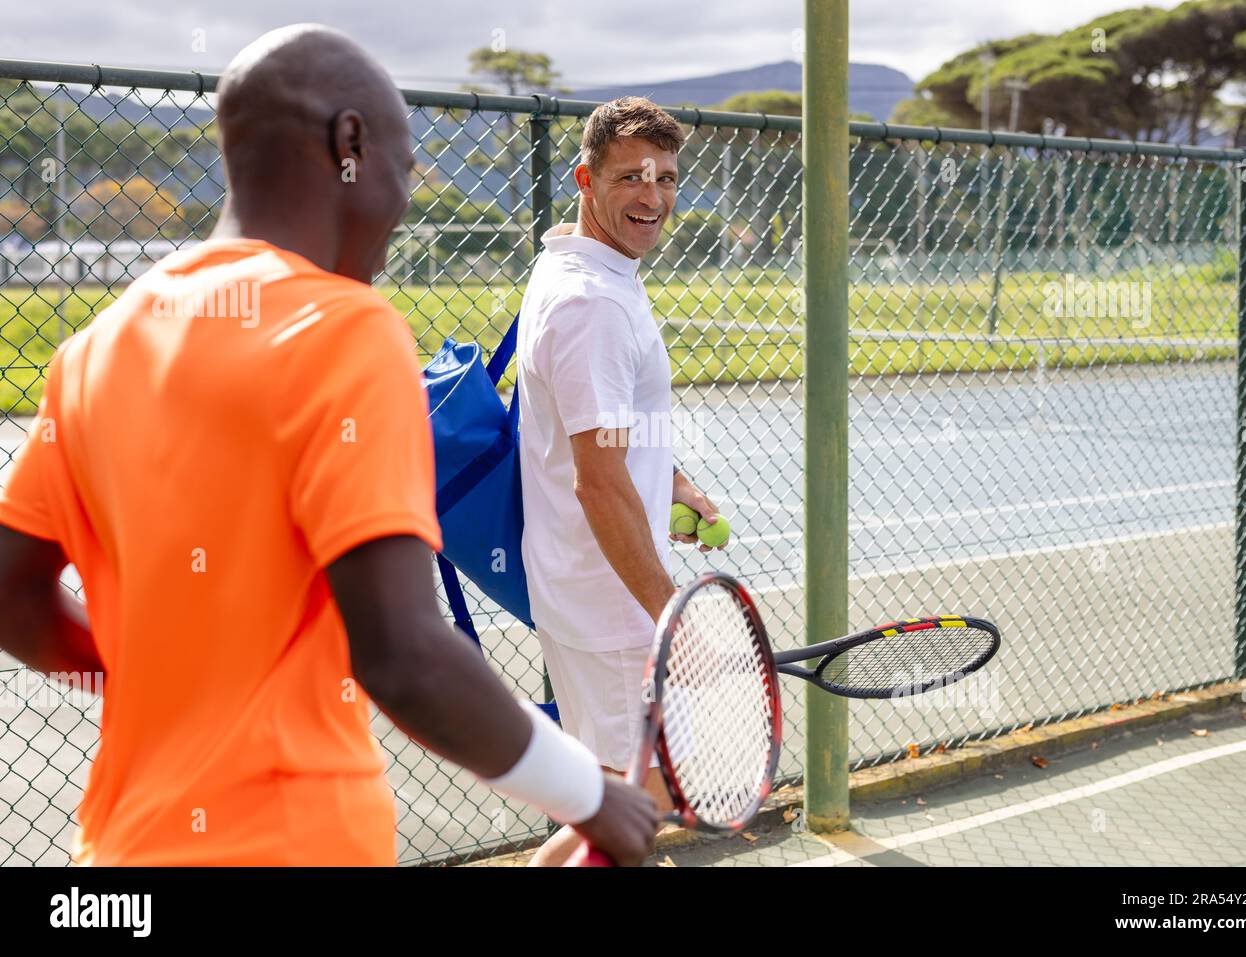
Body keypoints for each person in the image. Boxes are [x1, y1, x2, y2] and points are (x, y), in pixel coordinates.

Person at [0, 24, 656, 867]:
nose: (403, 198)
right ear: (350, 142)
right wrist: (593, 794)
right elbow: (403, 652)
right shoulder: (343, 329)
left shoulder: (96, 349)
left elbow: (14, 595)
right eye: (403, 166)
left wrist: (157, 676)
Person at [516, 97, 724, 866]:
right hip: (609, 610)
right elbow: (598, 483)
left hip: (597, 595)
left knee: (623, 803)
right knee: (641, 802)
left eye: (667, 177)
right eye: (631, 176)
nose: (653, 196)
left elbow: (605, 437)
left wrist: (672, 480)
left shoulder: (588, 266)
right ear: (585, 178)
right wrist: (675, 617)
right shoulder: (591, 303)